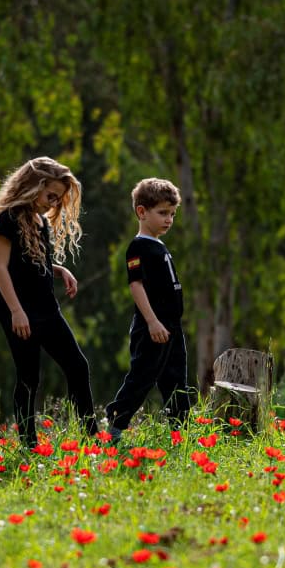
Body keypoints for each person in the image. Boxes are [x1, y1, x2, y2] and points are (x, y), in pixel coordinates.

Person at [0, 156, 95, 448]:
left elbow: (33, 261)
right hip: (17, 310)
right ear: (33, 186)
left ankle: (91, 437)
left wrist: (60, 270)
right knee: (29, 376)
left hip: (46, 308)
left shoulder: (40, 221)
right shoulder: (7, 219)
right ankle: (28, 443)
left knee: (77, 366)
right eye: (50, 196)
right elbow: (1, 268)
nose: (52, 204)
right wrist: (17, 311)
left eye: (57, 199)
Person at [104, 177, 194, 442]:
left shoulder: (159, 245)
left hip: (172, 327)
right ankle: (116, 424)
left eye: (172, 214)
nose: (169, 220)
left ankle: (181, 432)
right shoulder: (139, 247)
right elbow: (136, 286)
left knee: (177, 380)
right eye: (162, 213)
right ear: (141, 212)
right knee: (142, 377)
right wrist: (152, 321)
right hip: (152, 326)